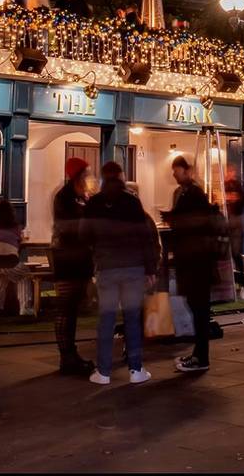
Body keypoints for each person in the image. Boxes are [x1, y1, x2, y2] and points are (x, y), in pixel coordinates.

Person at [80, 161, 159, 385]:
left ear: (103, 178)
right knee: (133, 318)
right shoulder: (132, 202)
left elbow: (84, 235)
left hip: (107, 267)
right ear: (121, 176)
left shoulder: (94, 203)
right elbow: (146, 237)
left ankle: (103, 371)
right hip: (133, 266)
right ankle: (136, 369)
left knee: (106, 319)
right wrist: (150, 268)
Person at [163, 155, 217, 373]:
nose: (174, 175)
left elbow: (192, 222)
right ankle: (198, 353)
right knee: (197, 306)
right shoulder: (189, 193)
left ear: (185, 171)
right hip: (195, 260)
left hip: (196, 261)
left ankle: (201, 357)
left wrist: (172, 219)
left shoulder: (192, 193)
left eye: (176, 171)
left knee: (199, 307)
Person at [51, 157, 95, 376]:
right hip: (68, 260)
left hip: (78, 260)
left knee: (71, 310)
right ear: (77, 176)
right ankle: (66, 356)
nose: (89, 177)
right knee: (66, 310)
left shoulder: (80, 197)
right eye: (85, 173)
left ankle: (71, 354)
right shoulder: (65, 197)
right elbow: (67, 227)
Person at [224, 164, 244, 282]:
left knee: (236, 252)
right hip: (227, 221)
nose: (230, 173)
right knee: (229, 252)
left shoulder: (238, 186)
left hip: (235, 221)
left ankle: (242, 278)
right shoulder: (224, 185)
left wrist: (233, 198)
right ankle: (234, 278)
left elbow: (243, 202)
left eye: (231, 171)